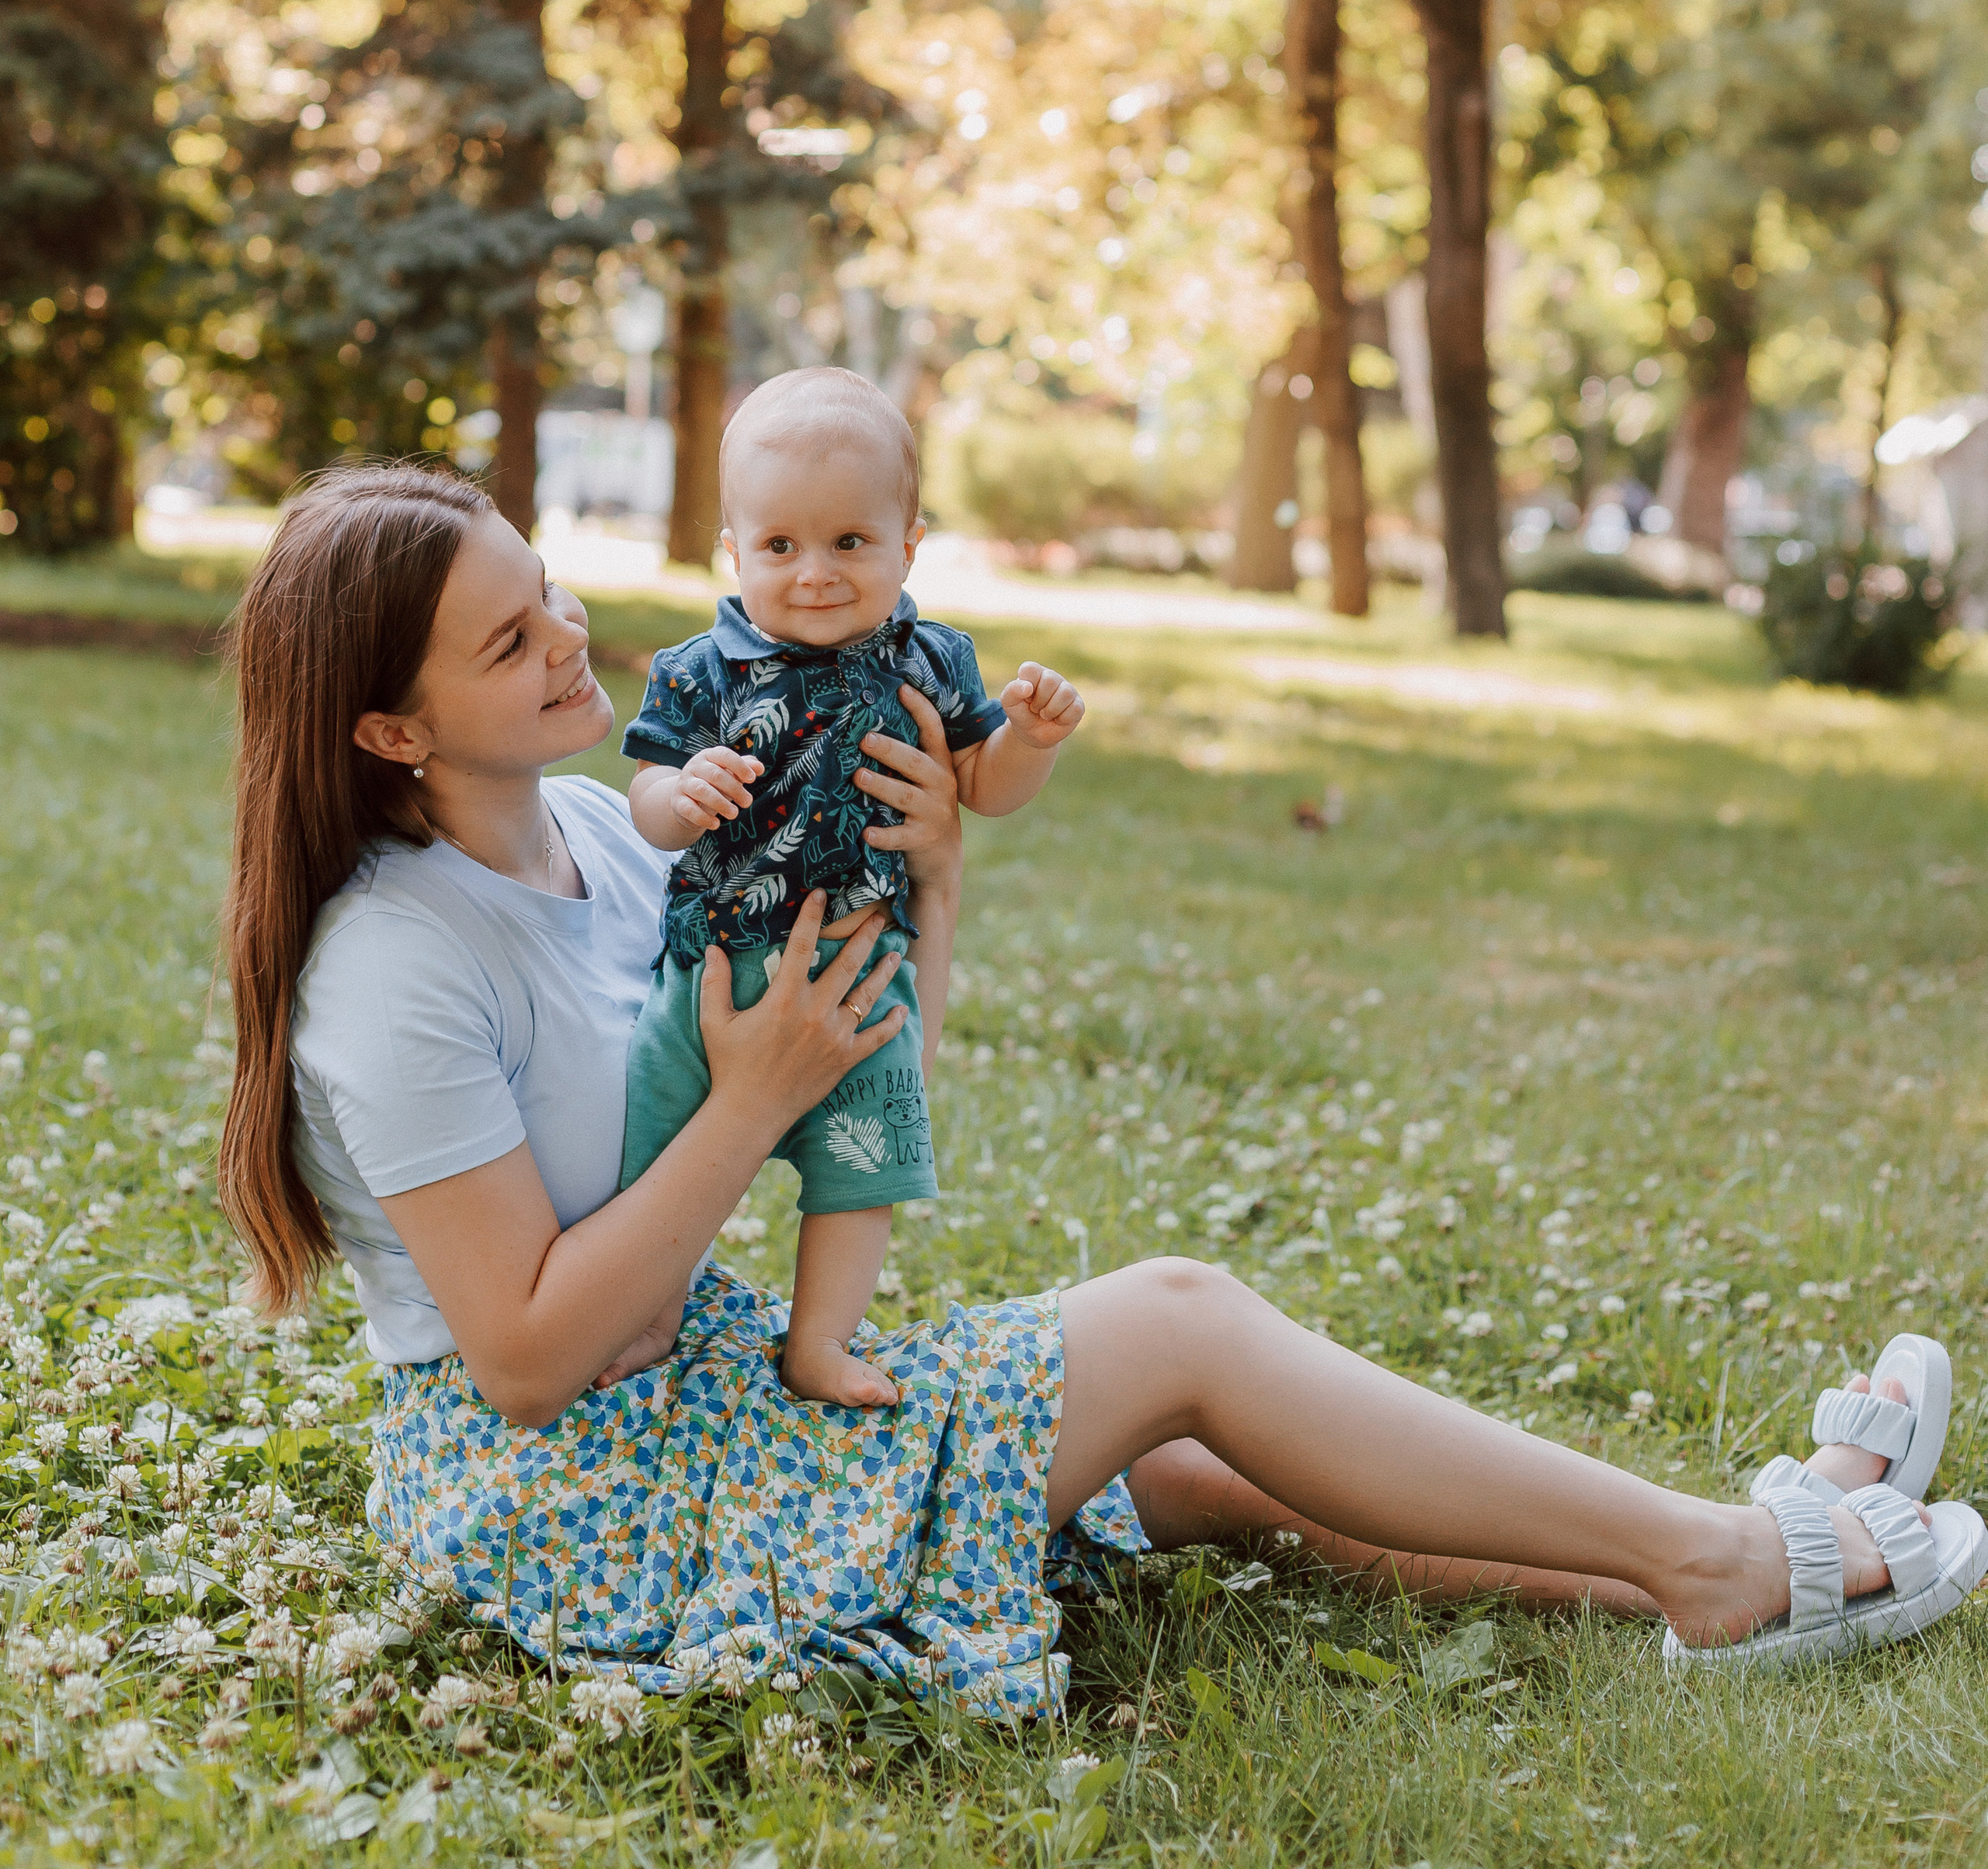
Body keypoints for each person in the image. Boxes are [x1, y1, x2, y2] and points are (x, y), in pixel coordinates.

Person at [215, 460, 1986, 1712]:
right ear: (392, 730)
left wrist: (935, 879)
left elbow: (851, 1061)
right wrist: (747, 1103)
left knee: (1196, 1463)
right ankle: (1737, 1565)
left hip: (693, 1392)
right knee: (1178, 1326)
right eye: (511, 639)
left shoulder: (606, 836)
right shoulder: (395, 968)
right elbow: (524, 1364)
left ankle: (1735, 1553)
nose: (572, 634)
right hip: (580, 1496)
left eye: (548, 593)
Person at [620, 368, 1083, 1411]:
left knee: (861, 1171)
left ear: (909, 544)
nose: (816, 574)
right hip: (716, 967)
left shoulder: (931, 661)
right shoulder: (700, 672)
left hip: (864, 965)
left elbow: (980, 789)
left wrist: (1032, 743)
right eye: (780, 547)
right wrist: (678, 794)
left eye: (850, 543)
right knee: (654, 1141)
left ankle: (821, 1339)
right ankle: (649, 1309)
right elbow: (647, 794)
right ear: (735, 553)